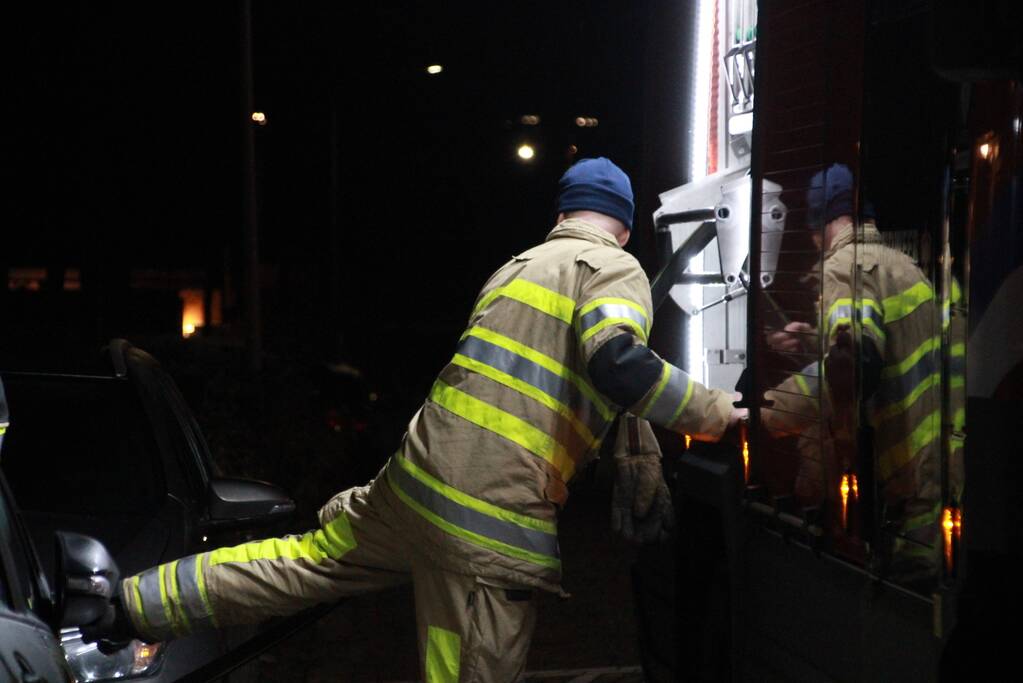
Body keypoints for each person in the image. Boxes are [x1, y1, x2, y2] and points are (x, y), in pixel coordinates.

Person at [85, 157, 744, 682]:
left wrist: (635, 449)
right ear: (622, 226)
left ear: (562, 213)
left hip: (410, 487)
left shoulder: (513, 271)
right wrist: (715, 413)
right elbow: (616, 363)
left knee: (293, 563)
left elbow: (569, 373)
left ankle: (128, 603)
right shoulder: (614, 266)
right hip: (485, 524)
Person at [762, 163, 960, 581]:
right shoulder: (905, 267)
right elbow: (889, 341)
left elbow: (855, 360)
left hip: (899, 476)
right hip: (940, 465)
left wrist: (775, 411)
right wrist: (814, 336)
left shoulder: (844, 269)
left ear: (824, 222)